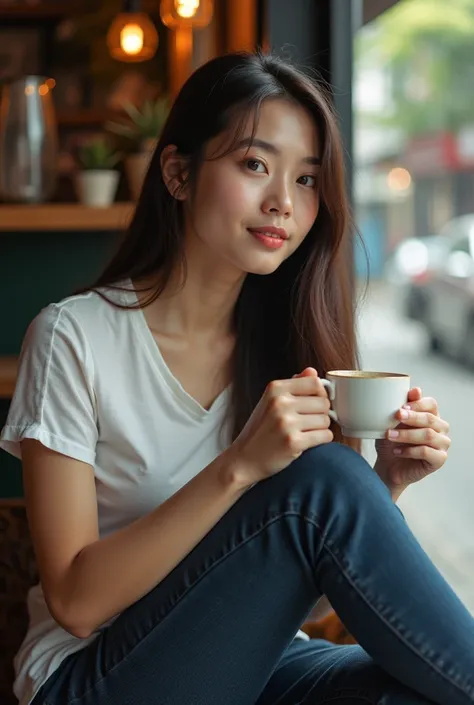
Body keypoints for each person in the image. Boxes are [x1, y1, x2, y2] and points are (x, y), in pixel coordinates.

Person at [0, 51, 472, 705]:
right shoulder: (73, 338)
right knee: (326, 481)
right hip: (93, 678)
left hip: (249, 668)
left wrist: (382, 486)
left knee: (411, 693)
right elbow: (77, 600)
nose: (283, 201)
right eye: (255, 164)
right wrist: (239, 467)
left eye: (307, 180)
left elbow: (293, 608)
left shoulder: (286, 351)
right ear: (177, 172)